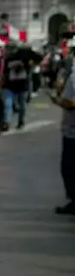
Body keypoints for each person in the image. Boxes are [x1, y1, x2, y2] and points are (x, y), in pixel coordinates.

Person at [52, 63, 75, 215]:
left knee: (69, 167)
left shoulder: (73, 78)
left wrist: (59, 101)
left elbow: (70, 102)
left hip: (72, 131)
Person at [0, 45, 32, 132]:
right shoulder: (7, 60)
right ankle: (6, 122)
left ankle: (21, 121)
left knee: (22, 106)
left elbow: (29, 75)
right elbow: (4, 72)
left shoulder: (27, 62)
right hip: (9, 86)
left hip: (22, 87)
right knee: (8, 105)